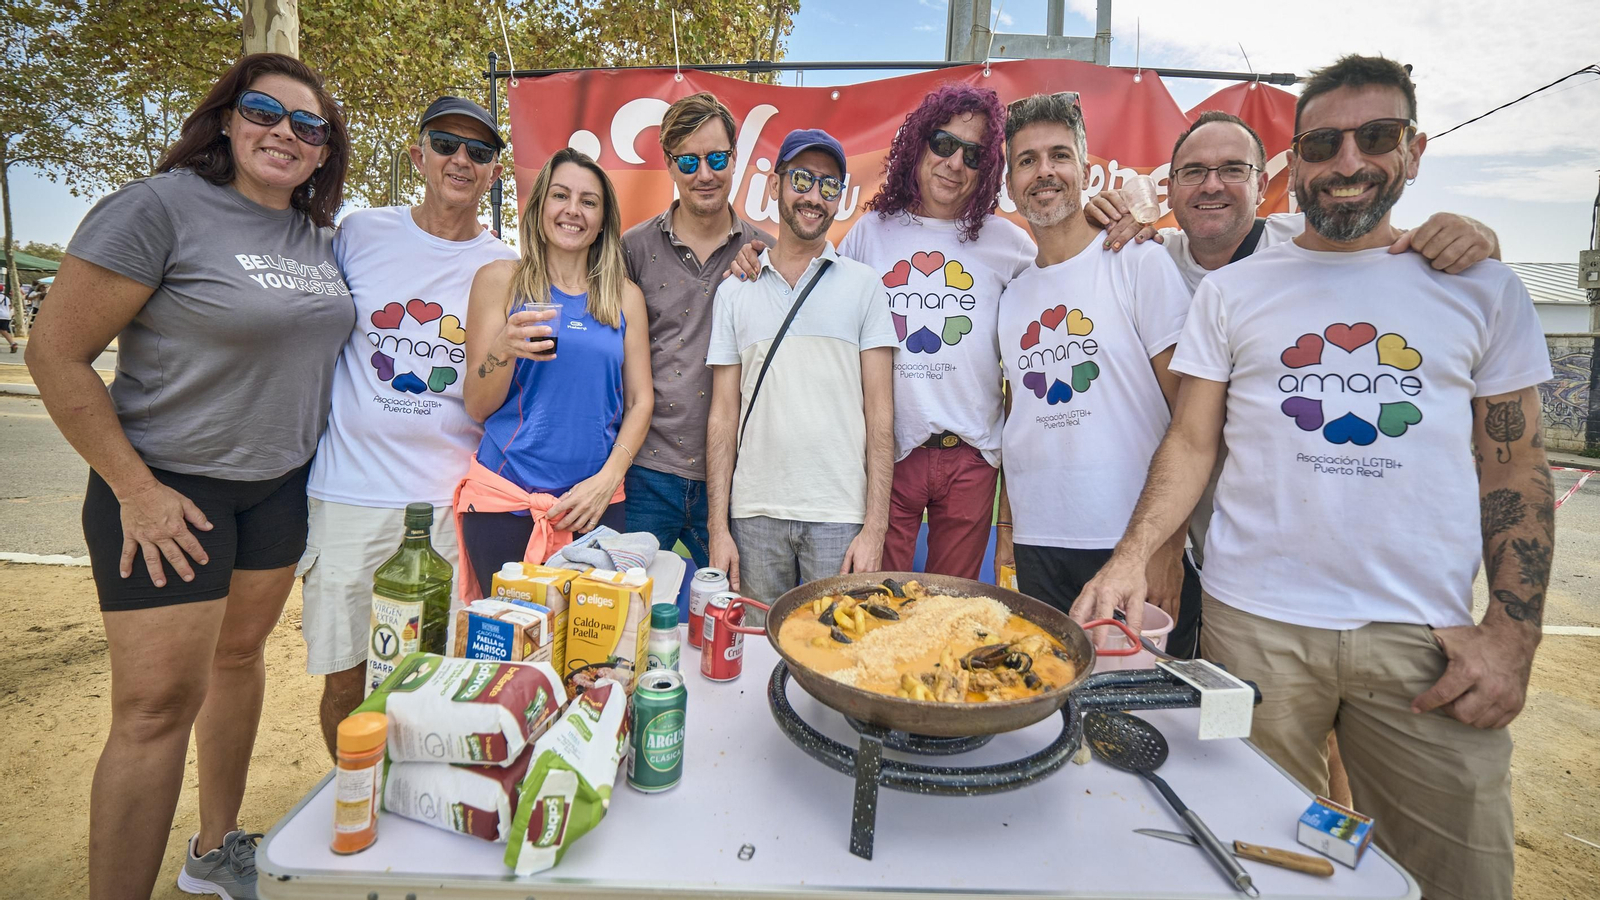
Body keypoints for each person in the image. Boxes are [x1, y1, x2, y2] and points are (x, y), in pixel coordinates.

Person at [1074, 55, 1553, 900]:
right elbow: (1191, 444)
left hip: (1423, 640)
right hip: (1252, 629)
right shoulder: (1232, 294)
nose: (1349, 162)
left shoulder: (1480, 288)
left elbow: (1515, 466)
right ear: (1295, 167)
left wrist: (1511, 639)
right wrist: (1131, 556)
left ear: (1414, 150)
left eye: (1376, 137)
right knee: (1254, 853)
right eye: (1325, 143)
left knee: (1458, 873)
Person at [27, 53, 352, 900]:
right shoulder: (157, 207)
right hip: (171, 491)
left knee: (240, 661)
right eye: (265, 111)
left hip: (279, 486)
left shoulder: (316, 235)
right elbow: (56, 355)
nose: (284, 132)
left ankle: (215, 851)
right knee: (153, 711)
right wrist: (136, 490)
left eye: (307, 125)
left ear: (323, 151)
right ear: (227, 118)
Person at [297, 96, 516, 756]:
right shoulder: (359, 234)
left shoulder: (507, 264)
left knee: (438, 680)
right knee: (346, 681)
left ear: (495, 174)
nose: (461, 160)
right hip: (349, 500)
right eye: (447, 144)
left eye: (479, 152)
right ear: (417, 155)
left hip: (449, 505)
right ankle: (354, 802)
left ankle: (414, 812)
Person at [992, 92, 1200, 656]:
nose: (1045, 172)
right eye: (1027, 160)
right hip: (1039, 551)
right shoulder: (1011, 297)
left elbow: (1193, 423)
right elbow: (1021, 417)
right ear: (1010, 182)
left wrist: (1164, 546)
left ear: (1085, 168)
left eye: (1059, 155)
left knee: (1141, 728)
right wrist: (1009, 532)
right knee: (1050, 712)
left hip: (1128, 549)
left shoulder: (1137, 260)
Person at [705, 129, 896, 599]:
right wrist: (718, 528)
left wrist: (874, 530)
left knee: (838, 657)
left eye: (829, 186)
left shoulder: (865, 286)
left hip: (839, 516)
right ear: (775, 185)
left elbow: (882, 417)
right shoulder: (734, 291)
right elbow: (723, 415)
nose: (814, 196)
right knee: (753, 658)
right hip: (753, 517)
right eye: (802, 179)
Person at [458, 147, 652, 599]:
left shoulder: (625, 298)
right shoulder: (500, 280)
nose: (572, 210)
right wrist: (503, 348)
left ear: (603, 219)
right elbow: (477, 405)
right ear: (540, 206)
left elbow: (641, 402)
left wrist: (606, 482)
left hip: (594, 509)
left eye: (588, 201)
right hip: (507, 506)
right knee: (510, 656)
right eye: (560, 195)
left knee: (593, 657)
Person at [622, 93, 772, 568]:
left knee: (735, 612)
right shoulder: (632, 248)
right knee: (627, 611)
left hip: (737, 471)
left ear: (735, 159)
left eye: (716, 158)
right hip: (646, 469)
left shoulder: (766, 254)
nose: (704, 173)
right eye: (688, 160)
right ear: (669, 165)